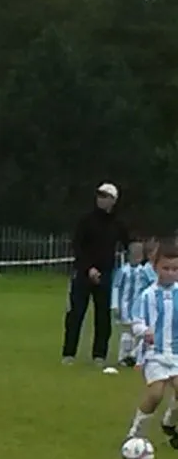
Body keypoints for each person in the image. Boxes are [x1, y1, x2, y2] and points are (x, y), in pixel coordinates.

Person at [63, 182, 130, 365]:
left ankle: (99, 355)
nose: (101, 199)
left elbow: (128, 245)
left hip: (106, 275)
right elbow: (77, 246)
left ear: (113, 200)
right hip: (83, 274)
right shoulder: (86, 221)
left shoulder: (118, 224)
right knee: (76, 314)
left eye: (105, 196)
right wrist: (88, 268)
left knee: (103, 317)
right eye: (99, 195)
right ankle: (69, 353)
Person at [124, 242, 178, 444]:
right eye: (166, 268)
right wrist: (144, 331)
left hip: (176, 352)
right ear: (155, 267)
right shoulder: (147, 295)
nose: (171, 273)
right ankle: (136, 434)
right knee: (156, 394)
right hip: (154, 353)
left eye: (175, 269)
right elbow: (136, 321)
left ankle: (170, 423)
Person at [111, 240, 155, 368]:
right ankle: (124, 357)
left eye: (139, 254)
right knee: (127, 333)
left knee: (140, 333)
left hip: (139, 308)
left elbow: (152, 285)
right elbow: (116, 287)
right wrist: (115, 305)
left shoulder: (144, 271)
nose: (137, 257)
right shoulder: (123, 271)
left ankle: (135, 356)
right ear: (129, 255)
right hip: (125, 307)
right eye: (135, 254)